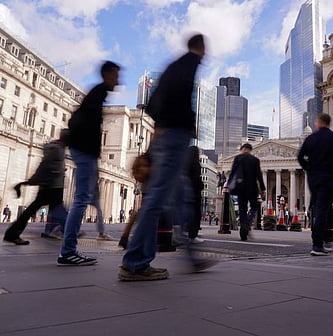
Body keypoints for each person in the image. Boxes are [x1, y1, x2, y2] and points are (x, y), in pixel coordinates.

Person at [119, 34, 215, 281]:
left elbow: (151, 104)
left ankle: (192, 257)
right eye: (205, 48)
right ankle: (135, 263)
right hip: (175, 136)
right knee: (159, 199)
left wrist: (161, 125)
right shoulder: (189, 63)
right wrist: (185, 122)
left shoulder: (173, 65)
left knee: (181, 197)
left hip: (168, 134)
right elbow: (179, 93)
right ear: (200, 47)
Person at [57, 61, 120, 266]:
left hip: (83, 151)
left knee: (81, 199)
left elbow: (76, 121)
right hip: (84, 152)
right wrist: (90, 150)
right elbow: (82, 124)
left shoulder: (97, 94)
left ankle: (68, 249)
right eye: (115, 76)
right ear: (108, 75)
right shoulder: (98, 93)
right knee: (81, 200)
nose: (117, 81)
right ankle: (68, 251)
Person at [3, 129, 69, 245]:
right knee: (57, 209)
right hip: (52, 186)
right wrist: (33, 181)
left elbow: (47, 166)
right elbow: (46, 166)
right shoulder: (57, 150)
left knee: (35, 210)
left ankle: (12, 234)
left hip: (49, 185)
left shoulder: (56, 148)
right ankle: (71, 230)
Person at [298, 113, 333, 256]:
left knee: (319, 208)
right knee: (323, 210)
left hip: (313, 179)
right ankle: (318, 245)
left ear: (318, 123)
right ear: (329, 123)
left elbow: (300, 157)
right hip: (328, 178)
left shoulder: (310, 138)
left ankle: (323, 241)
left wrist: (308, 169)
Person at [227, 143, 266, 241]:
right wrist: (263, 189)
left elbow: (232, 173)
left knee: (242, 210)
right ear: (250, 149)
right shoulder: (255, 160)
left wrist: (229, 185)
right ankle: (248, 223)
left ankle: (243, 232)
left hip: (240, 189)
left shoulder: (238, 158)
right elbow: (259, 176)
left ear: (243, 149)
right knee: (254, 207)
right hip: (252, 188)